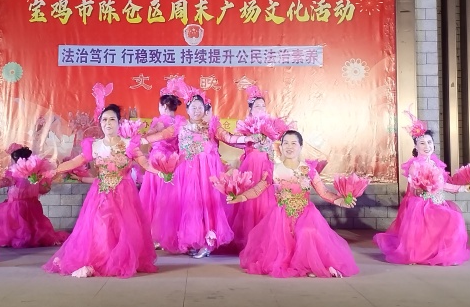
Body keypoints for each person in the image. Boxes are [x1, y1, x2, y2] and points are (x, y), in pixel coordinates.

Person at [43, 99, 158, 278]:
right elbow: (76, 161)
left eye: (112, 119)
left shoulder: (129, 144)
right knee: (100, 227)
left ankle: (119, 260)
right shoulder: (95, 146)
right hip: (101, 193)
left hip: (124, 194)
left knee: (123, 229)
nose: (108, 123)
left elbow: (145, 163)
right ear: (100, 123)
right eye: (104, 120)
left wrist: (162, 171)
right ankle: (101, 260)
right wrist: (54, 170)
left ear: (119, 122)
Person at [150, 82, 259, 258]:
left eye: (200, 107)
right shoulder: (180, 126)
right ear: (187, 109)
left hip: (207, 173)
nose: (196, 110)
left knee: (207, 204)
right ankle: (193, 240)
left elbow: (229, 138)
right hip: (186, 173)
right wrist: (138, 140)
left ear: (205, 108)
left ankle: (208, 243)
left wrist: (248, 139)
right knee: (189, 205)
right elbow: (161, 135)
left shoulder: (211, 126)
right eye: (193, 107)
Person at [230, 130, 358, 278]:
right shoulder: (273, 169)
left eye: (293, 143)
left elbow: (324, 192)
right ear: (281, 146)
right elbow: (258, 189)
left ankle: (310, 265)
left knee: (307, 233)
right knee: (281, 244)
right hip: (280, 216)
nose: (289, 147)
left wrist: (341, 201)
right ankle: (298, 265)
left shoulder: (309, 170)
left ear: (300, 146)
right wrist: (240, 197)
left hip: (306, 214)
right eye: (286, 143)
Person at [374, 112, 470, 266]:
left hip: (437, 202)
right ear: (416, 146)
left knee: (454, 218)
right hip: (421, 204)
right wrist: (422, 191)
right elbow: (414, 188)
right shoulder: (415, 165)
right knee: (450, 218)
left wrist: (463, 188)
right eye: (422, 143)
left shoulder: (435, 164)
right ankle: (416, 255)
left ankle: (442, 254)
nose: (427, 146)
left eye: (429, 142)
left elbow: (443, 185)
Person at [0, 144, 68, 248]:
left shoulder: (17, 172)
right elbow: (43, 189)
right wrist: (44, 185)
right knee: (31, 225)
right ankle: (28, 238)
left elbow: (3, 182)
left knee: (15, 224)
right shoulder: (36, 173)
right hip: (32, 205)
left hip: (17, 206)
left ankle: (16, 238)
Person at [228, 85, 286, 251]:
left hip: (266, 165)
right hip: (251, 165)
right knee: (249, 201)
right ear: (251, 109)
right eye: (257, 106)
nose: (261, 108)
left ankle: (264, 239)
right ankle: (247, 240)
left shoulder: (272, 125)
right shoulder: (246, 125)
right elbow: (235, 141)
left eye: (263, 106)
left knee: (266, 201)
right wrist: (250, 139)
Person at [139, 81, 185, 243]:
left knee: (154, 197)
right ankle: (169, 234)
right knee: (170, 198)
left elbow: (147, 137)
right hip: (173, 161)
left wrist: (138, 135)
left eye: (159, 106)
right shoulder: (180, 123)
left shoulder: (160, 121)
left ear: (164, 106)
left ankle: (154, 235)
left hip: (158, 160)